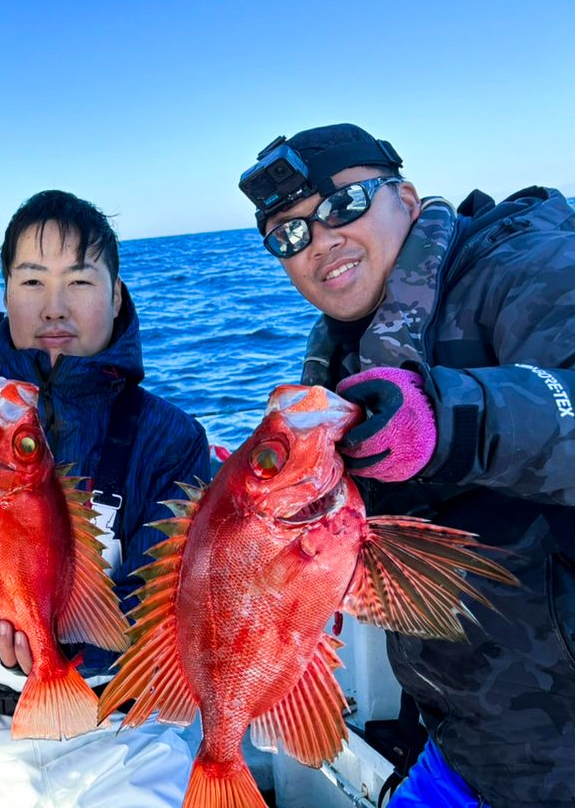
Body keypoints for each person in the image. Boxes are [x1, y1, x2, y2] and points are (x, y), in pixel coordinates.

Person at [238, 123, 575, 807]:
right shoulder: (338, 352)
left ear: (410, 199)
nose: (320, 240)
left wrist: (454, 420)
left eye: (343, 205)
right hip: (470, 750)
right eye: (289, 236)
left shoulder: (526, 267)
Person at [0, 190, 210, 806]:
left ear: (117, 296)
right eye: (31, 280)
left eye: (79, 280)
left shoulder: (172, 438)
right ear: (3, 294)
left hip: (121, 732)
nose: (54, 306)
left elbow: (168, 590)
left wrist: (70, 642)